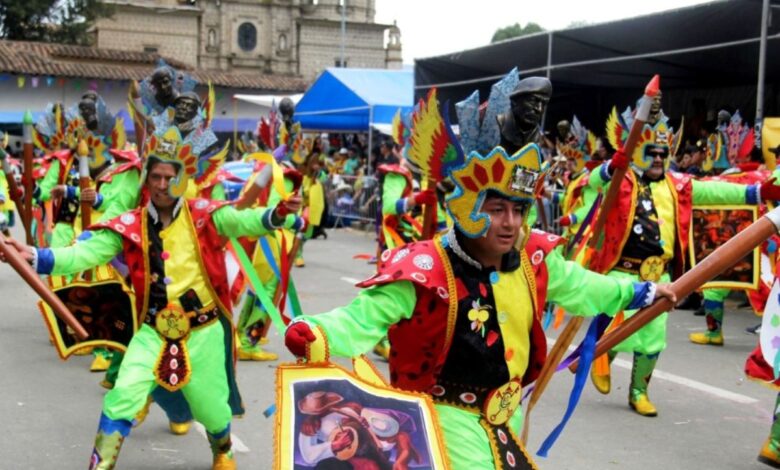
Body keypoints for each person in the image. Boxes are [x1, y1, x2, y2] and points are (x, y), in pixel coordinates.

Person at [283, 142, 676, 469]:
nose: (510, 223)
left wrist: (640, 293)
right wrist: (318, 333)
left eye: (518, 210)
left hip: (506, 417)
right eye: (496, 210)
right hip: (444, 419)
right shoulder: (426, 268)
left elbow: (583, 286)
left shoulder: (532, 258)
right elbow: (362, 317)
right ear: (469, 208)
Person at [1, 126, 302, 470]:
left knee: (211, 407)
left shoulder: (205, 216)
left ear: (181, 179)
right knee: (122, 395)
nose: (161, 185)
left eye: (168, 177)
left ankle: (223, 450)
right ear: (145, 177)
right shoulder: (131, 225)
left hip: (202, 332)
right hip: (151, 331)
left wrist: (278, 214)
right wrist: (36, 257)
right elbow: (86, 253)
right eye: (155, 176)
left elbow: (246, 220)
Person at [586, 111, 780, 417]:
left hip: (660, 276)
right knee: (614, 327)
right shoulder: (622, 180)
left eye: (665, 153)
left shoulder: (677, 185)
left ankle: (638, 391)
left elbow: (715, 190)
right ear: (638, 152)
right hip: (622, 272)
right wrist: (610, 168)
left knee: (653, 337)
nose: (660, 159)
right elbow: (590, 181)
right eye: (653, 153)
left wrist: (756, 191)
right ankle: (601, 359)